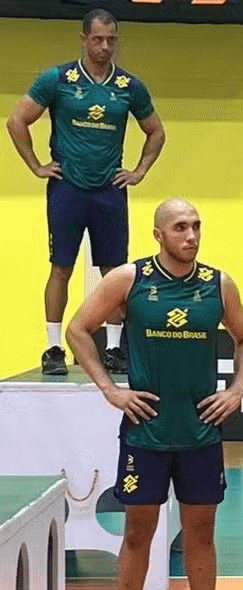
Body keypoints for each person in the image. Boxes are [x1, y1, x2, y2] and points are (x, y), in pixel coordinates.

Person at [66, 199, 243, 590]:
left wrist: (236, 390)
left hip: (200, 433)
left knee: (201, 532)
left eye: (196, 226)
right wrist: (110, 388)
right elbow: (78, 329)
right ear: (158, 234)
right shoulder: (130, 280)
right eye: (180, 227)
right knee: (137, 532)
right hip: (145, 433)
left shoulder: (218, 283)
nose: (191, 235)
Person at [7, 8, 166, 376]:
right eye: (97, 39)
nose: (104, 46)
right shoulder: (57, 79)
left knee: (114, 272)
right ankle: (52, 348)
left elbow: (156, 131)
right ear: (83, 39)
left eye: (111, 40)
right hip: (67, 189)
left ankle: (113, 348)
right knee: (61, 267)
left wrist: (140, 171)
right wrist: (36, 165)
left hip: (109, 191)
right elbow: (17, 120)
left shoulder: (129, 86)